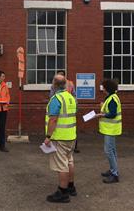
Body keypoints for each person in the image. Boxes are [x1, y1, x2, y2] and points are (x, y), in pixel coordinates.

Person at [44, 74, 77, 203]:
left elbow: (53, 119)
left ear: (54, 84)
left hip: (60, 137)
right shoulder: (71, 98)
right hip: (71, 136)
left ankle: (62, 193)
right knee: (69, 161)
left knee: (61, 165)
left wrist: (48, 136)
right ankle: (71, 187)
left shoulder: (56, 99)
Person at [95, 79, 122, 183]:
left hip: (111, 129)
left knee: (109, 151)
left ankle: (114, 174)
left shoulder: (112, 99)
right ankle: (113, 170)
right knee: (112, 150)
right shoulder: (111, 97)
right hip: (111, 129)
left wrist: (101, 114)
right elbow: (111, 111)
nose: (102, 89)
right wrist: (103, 108)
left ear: (107, 89)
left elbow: (112, 114)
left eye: (103, 87)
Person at [49, 70, 80, 153]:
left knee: (60, 161)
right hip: (70, 107)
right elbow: (74, 96)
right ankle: (75, 146)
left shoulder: (55, 94)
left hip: (60, 108)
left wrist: (48, 137)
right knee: (69, 159)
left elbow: (53, 119)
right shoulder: (70, 84)